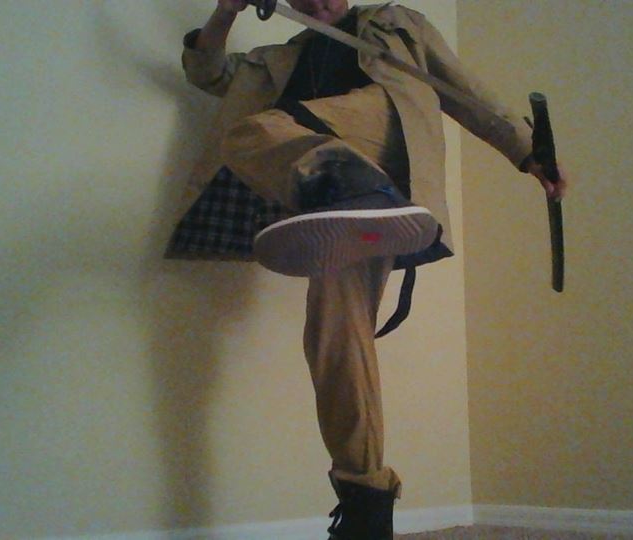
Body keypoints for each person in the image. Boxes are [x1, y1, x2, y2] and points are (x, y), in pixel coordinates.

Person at [164, 1, 566, 538]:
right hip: (345, 211)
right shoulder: (279, 58)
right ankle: (366, 500)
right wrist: (226, 11)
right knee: (332, 335)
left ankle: (356, 185)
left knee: (254, 131)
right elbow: (206, 73)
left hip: (384, 132)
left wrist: (528, 152)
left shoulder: (396, 25)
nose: (319, 1)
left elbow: (465, 91)